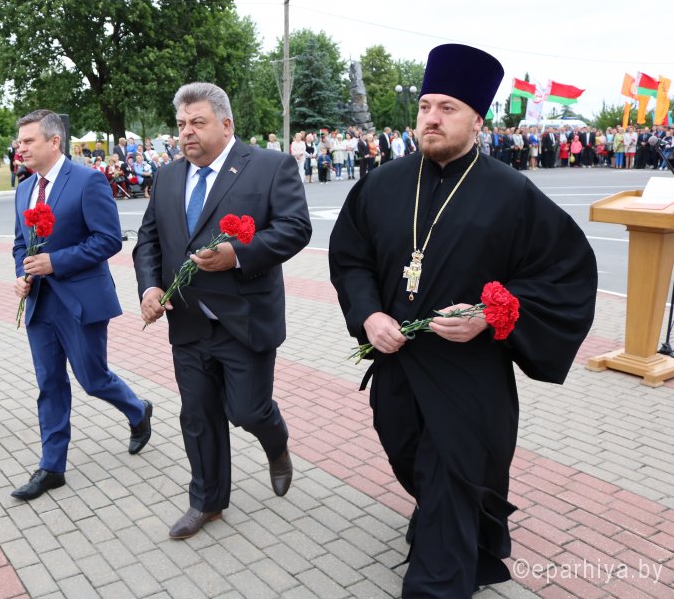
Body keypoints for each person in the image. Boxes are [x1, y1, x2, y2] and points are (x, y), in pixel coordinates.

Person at [328, 44, 597, 597]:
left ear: (477, 119)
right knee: (407, 453)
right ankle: (451, 521)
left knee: (453, 471)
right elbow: (351, 259)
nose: (431, 118)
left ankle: (436, 579)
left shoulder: (511, 193)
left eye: (447, 108)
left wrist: (487, 316)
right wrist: (369, 314)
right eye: (425, 106)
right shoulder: (383, 183)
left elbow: (565, 275)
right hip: (398, 360)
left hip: (470, 372)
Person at [133, 82, 312, 540]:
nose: (186, 133)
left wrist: (237, 254)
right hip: (188, 322)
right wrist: (150, 288)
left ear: (226, 124)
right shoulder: (168, 176)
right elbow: (149, 240)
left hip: (244, 320)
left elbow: (295, 228)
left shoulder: (269, 166)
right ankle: (207, 501)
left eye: (197, 122)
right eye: (180, 124)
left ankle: (276, 441)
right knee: (197, 415)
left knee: (248, 411)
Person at [11, 109, 152, 501]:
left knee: (93, 378)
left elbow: (108, 239)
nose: (21, 148)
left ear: (54, 141)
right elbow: (21, 244)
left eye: (29, 141)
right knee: (49, 384)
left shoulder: (88, 180)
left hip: (81, 300)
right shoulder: (24, 188)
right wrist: (23, 273)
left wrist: (55, 262)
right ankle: (52, 466)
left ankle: (137, 410)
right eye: (20, 142)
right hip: (40, 303)